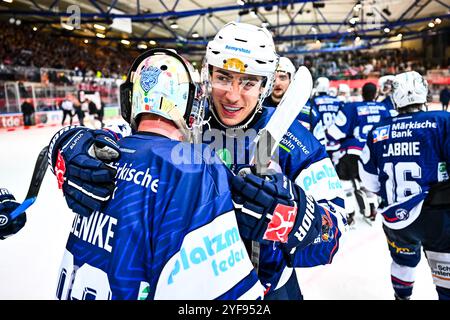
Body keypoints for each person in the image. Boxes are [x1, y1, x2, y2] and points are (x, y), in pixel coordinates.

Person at [48, 22, 347, 300]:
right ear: (208, 74)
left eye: (248, 83)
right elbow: (114, 141)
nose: (232, 95)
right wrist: (67, 147)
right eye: (223, 77)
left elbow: (334, 233)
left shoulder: (294, 141)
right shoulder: (182, 122)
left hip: (273, 293)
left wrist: (292, 219)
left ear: (265, 86)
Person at [48, 49, 265, 300]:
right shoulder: (195, 166)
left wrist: (62, 143)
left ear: (130, 98)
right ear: (190, 103)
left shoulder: (98, 154)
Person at [359, 71, 450, 300]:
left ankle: (402, 297)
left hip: (396, 219)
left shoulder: (378, 130)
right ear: (424, 93)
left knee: (402, 261)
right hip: (437, 217)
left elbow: (368, 180)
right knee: (445, 276)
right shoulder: (441, 121)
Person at [327, 82, 391, 225]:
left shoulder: (352, 107)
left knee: (345, 183)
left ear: (362, 93)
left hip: (353, 152)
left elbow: (335, 132)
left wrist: (333, 140)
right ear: (375, 94)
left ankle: (349, 214)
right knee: (368, 182)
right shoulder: (384, 109)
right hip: (375, 153)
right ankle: (373, 209)